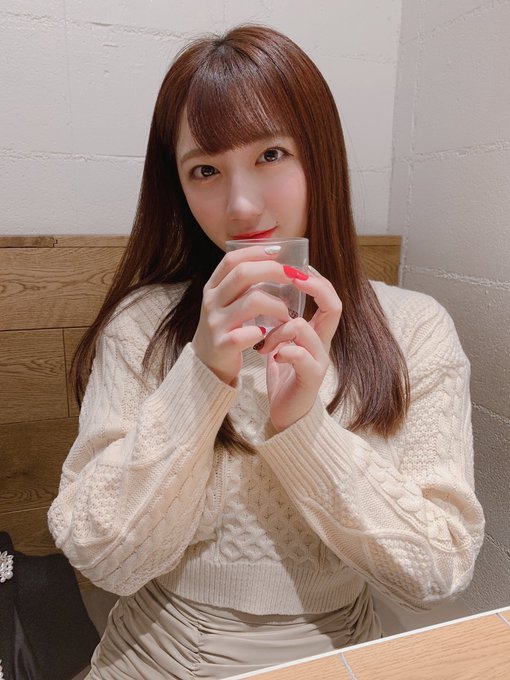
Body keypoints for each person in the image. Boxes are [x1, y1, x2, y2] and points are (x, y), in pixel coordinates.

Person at [48, 24, 485, 679]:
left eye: (271, 154)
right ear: (177, 185)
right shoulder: (143, 325)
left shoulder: (415, 328)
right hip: (160, 652)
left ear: (320, 157)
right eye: (205, 170)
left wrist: (304, 427)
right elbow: (100, 556)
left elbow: (438, 570)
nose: (242, 206)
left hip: (343, 650)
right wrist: (201, 378)